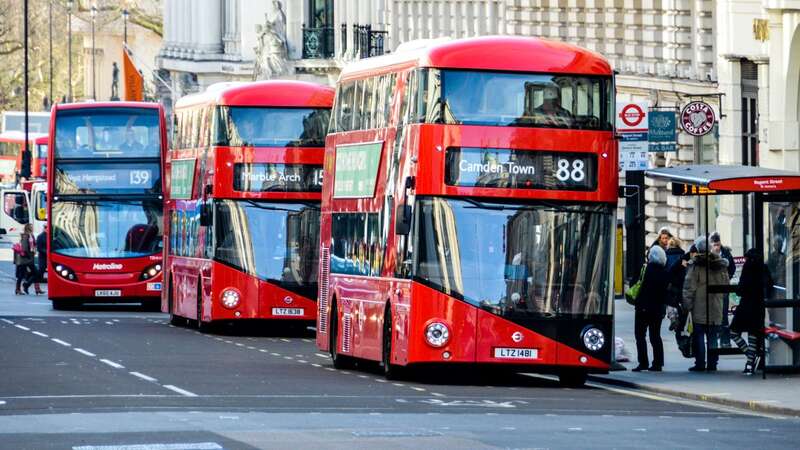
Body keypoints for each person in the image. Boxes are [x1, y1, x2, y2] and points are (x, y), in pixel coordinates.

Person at [683, 236, 730, 372]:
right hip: (716, 305)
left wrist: (687, 306)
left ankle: (700, 363)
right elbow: (726, 285)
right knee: (713, 336)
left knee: (698, 336)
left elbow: (689, 287)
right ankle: (712, 363)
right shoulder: (720, 265)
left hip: (699, 306)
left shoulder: (695, 265)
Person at [730, 248, 773, 375]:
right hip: (758, 306)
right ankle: (749, 364)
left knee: (733, 332)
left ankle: (750, 358)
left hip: (746, 305)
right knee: (753, 335)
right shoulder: (763, 267)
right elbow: (769, 285)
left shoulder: (747, 267)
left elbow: (741, 289)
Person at [632, 245, 669, 371]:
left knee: (640, 336)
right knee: (655, 336)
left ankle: (643, 362)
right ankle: (658, 363)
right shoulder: (664, 272)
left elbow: (634, 283)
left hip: (643, 307)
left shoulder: (644, 269)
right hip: (657, 309)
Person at [709, 232, 736, 347]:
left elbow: (732, 268)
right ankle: (714, 340)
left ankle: (725, 341)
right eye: (715, 244)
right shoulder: (708, 255)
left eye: (718, 244)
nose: (716, 247)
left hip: (724, 288)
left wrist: (727, 278)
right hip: (712, 289)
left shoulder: (726, 253)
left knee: (724, 315)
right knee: (713, 316)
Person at [14, 224, 43, 295]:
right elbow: (24, 248)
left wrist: (34, 248)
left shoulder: (31, 235)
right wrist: (29, 255)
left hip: (29, 259)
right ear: (28, 228)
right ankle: (19, 289)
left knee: (36, 273)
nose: (33, 228)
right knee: (21, 274)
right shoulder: (25, 236)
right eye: (32, 227)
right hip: (24, 259)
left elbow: (33, 244)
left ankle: (34, 287)